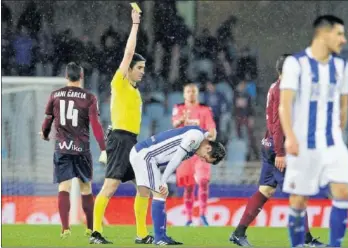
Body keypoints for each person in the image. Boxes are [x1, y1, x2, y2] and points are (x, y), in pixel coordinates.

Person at [229, 55, 324, 247]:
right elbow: (278, 123)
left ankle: (238, 233)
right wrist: (281, 152)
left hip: (269, 144)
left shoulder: (276, 87)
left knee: (265, 190)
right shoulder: (283, 90)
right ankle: (305, 240)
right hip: (278, 147)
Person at [279, 15, 348, 247]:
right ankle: (297, 244)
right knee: (299, 200)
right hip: (303, 143)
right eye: (339, 34)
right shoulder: (295, 63)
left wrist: (338, 132)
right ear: (323, 34)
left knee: (342, 191)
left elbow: (343, 105)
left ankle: (335, 246)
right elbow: (285, 104)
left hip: (332, 142)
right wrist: (290, 136)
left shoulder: (342, 66)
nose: (344, 39)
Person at [90, 9, 151, 245]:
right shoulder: (121, 81)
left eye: (144, 68)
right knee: (111, 185)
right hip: (119, 139)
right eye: (139, 68)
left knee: (143, 187)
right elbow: (127, 53)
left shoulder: (134, 90)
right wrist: (135, 24)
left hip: (131, 142)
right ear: (129, 69)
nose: (142, 72)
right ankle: (96, 232)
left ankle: (141, 234)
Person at [40, 62, 106, 238]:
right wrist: (103, 148)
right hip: (81, 148)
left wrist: (45, 134)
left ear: (66, 76)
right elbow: (95, 124)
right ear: (82, 76)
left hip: (62, 147)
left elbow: (48, 119)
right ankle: (91, 228)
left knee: (64, 186)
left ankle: (65, 228)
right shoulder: (89, 97)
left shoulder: (55, 95)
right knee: (85, 188)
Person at [129, 126, 226, 245]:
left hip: (142, 153)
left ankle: (142, 235)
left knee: (143, 192)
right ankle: (160, 238)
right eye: (205, 157)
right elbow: (176, 158)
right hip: (146, 156)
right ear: (208, 147)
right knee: (160, 193)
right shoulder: (196, 137)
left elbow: (199, 131)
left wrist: (207, 133)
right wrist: (164, 180)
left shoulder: (198, 141)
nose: (202, 160)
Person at [172, 83, 217, 226]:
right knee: (189, 186)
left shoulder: (204, 110)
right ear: (184, 94)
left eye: (193, 91)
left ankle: (203, 214)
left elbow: (211, 128)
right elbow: (174, 124)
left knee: (203, 181)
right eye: (188, 91)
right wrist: (181, 120)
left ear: (197, 94)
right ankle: (189, 218)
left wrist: (212, 135)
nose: (191, 94)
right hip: (185, 152)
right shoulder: (179, 109)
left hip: (201, 151)